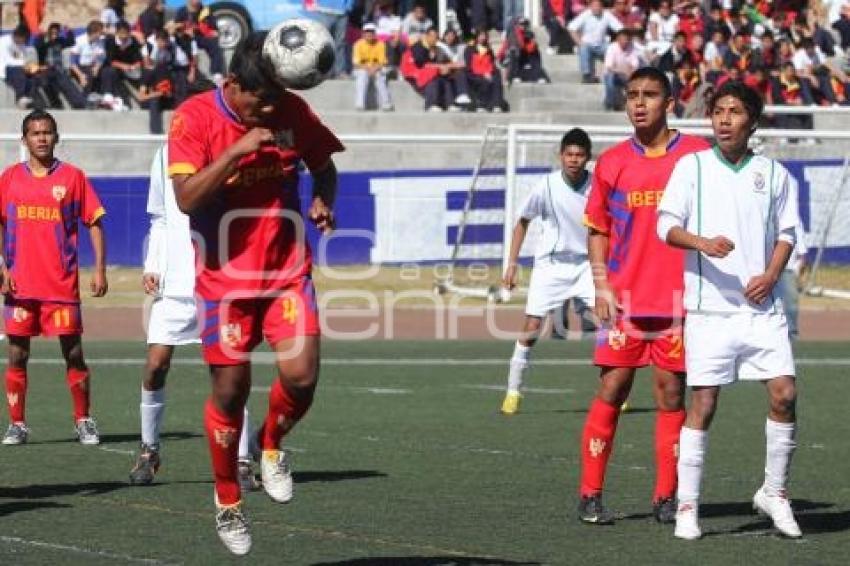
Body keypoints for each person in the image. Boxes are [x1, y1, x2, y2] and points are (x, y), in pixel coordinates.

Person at [168, 32, 343, 554]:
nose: (268, 108)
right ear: (233, 86)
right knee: (230, 392)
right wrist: (236, 152)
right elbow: (184, 198)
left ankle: (271, 446)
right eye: (259, 99)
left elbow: (325, 166)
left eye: (276, 97)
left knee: (302, 376)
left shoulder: (291, 110)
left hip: (286, 271)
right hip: (225, 282)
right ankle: (228, 504)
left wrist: (322, 201)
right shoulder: (194, 118)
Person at [657, 81, 802, 540]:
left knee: (784, 394)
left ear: (751, 121)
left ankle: (774, 492)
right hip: (709, 311)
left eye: (734, 111)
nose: (723, 119)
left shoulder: (775, 175)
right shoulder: (691, 167)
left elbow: (788, 234)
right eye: (718, 110)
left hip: (762, 310)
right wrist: (702, 243)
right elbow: (666, 225)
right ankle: (687, 505)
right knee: (703, 403)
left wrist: (771, 274)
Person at [579, 66, 710, 525]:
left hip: (680, 300)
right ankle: (590, 493)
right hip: (626, 300)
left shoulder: (697, 155)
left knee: (670, 392)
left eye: (649, 95)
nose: (638, 103)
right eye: (632, 95)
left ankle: (665, 496)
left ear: (669, 102)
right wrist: (600, 284)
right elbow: (598, 229)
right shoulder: (612, 162)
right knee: (613, 386)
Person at [129, 142, 259, 490]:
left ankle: (243, 460)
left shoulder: (230, 150)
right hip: (174, 287)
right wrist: (152, 264)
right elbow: (159, 215)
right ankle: (149, 449)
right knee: (156, 365)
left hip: (219, 282)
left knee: (228, 374)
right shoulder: (163, 153)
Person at [0, 109, 108, 447]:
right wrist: (2, 268)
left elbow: (94, 222)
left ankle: (84, 419)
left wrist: (100, 269)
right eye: (35, 133)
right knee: (17, 354)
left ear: (56, 137)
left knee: (73, 352)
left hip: (61, 286)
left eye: (47, 132)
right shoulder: (9, 179)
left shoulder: (73, 178)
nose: (42, 138)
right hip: (19, 286)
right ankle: (17, 424)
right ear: (25, 140)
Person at [499, 129, 596, 415]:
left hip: (586, 266)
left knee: (608, 325)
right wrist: (512, 264)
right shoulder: (547, 186)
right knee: (531, 328)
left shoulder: (597, 186)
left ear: (588, 158)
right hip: (550, 267)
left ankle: (614, 391)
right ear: (561, 156)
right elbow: (522, 222)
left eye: (580, 155)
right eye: (569, 154)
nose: (574, 160)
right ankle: (513, 392)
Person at [568, 0, 623, 83]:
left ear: (602, 7)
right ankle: (587, 75)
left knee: (613, 49)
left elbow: (620, 29)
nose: (596, 8)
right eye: (594, 6)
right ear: (590, 7)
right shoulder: (585, 14)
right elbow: (571, 28)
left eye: (598, 6)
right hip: (587, 45)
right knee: (583, 48)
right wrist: (579, 42)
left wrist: (617, 43)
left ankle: (617, 74)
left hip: (602, 45)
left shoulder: (607, 15)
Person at [352, 22, 393, 111]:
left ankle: (386, 103)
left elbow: (382, 62)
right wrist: (368, 68)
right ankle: (360, 104)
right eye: (367, 32)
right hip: (361, 69)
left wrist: (374, 68)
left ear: (375, 33)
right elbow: (356, 63)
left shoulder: (381, 44)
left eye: (371, 32)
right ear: (363, 33)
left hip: (376, 68)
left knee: (380, 76)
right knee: (362, 76)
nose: (369, 34)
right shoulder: (358, 44)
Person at [603, 29, 640, 111]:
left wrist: (630, 71)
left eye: (626, 39)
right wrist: (624, 70)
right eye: (622, 39)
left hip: (626, 74)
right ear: (617, 39)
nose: (624, 41)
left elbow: (635, 65)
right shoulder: (612, 47)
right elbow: (609, 67)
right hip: (613, 74)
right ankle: (610, 102)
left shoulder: (632, 47)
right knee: (610, 77)